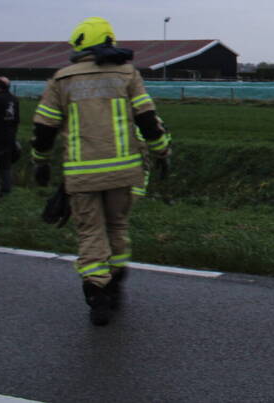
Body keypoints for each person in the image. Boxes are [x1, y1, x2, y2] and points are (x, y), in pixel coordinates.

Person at [31, 17, 171, 326]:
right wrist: (162, 151)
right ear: (109, 40)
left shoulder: (62, 80)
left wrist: (39, 161)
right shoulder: (127, 73)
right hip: (124, 172)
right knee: (117, 227)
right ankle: (117, 281)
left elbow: (44, 129)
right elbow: (148, 120)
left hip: (82, 175)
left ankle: (97, 293)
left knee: (90, 231)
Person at [0, 76, 20, 198]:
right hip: (10, 137)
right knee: (5, 165)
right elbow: (17, 120)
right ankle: (6, 191)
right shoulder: (14, 99)